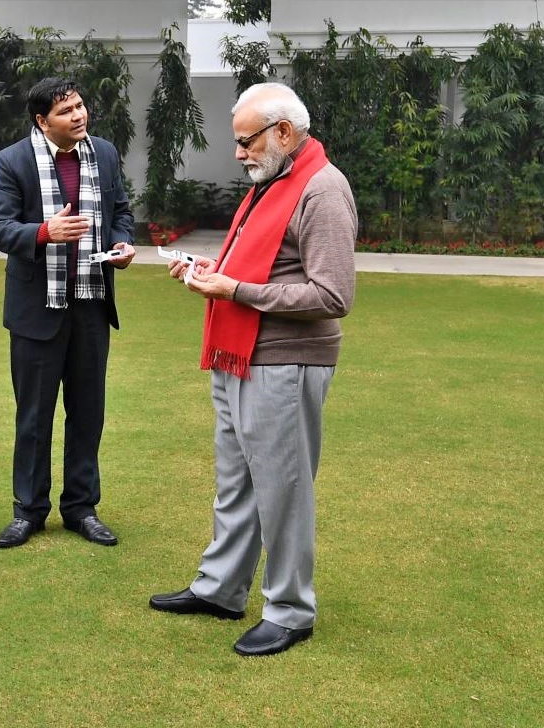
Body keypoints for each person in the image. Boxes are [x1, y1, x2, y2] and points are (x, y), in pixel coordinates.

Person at [149, 82, 357, 657]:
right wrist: (211, 269)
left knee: (283, 489)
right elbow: (263, 262)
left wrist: (234, 287)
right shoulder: (275, 183)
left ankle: (290, 611)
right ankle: (221, 589)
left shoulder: (322, 189)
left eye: (246, 141)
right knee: (236, 481)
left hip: (286, 362)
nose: (238, 153)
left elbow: (332, 294)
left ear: (283, 133)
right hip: (239, 353)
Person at [0, 77, 136, 549]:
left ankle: (81, 508)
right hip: (37, 309)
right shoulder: (11, 161)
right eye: (66, 110)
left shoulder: (104, 154)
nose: (79, 115)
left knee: (88, 412)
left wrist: (122, 242)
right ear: (41, 120)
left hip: (91, 304)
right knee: (34, 415)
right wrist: (46, 232)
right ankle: (28, 510)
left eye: (80, 105)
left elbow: (122, 210)